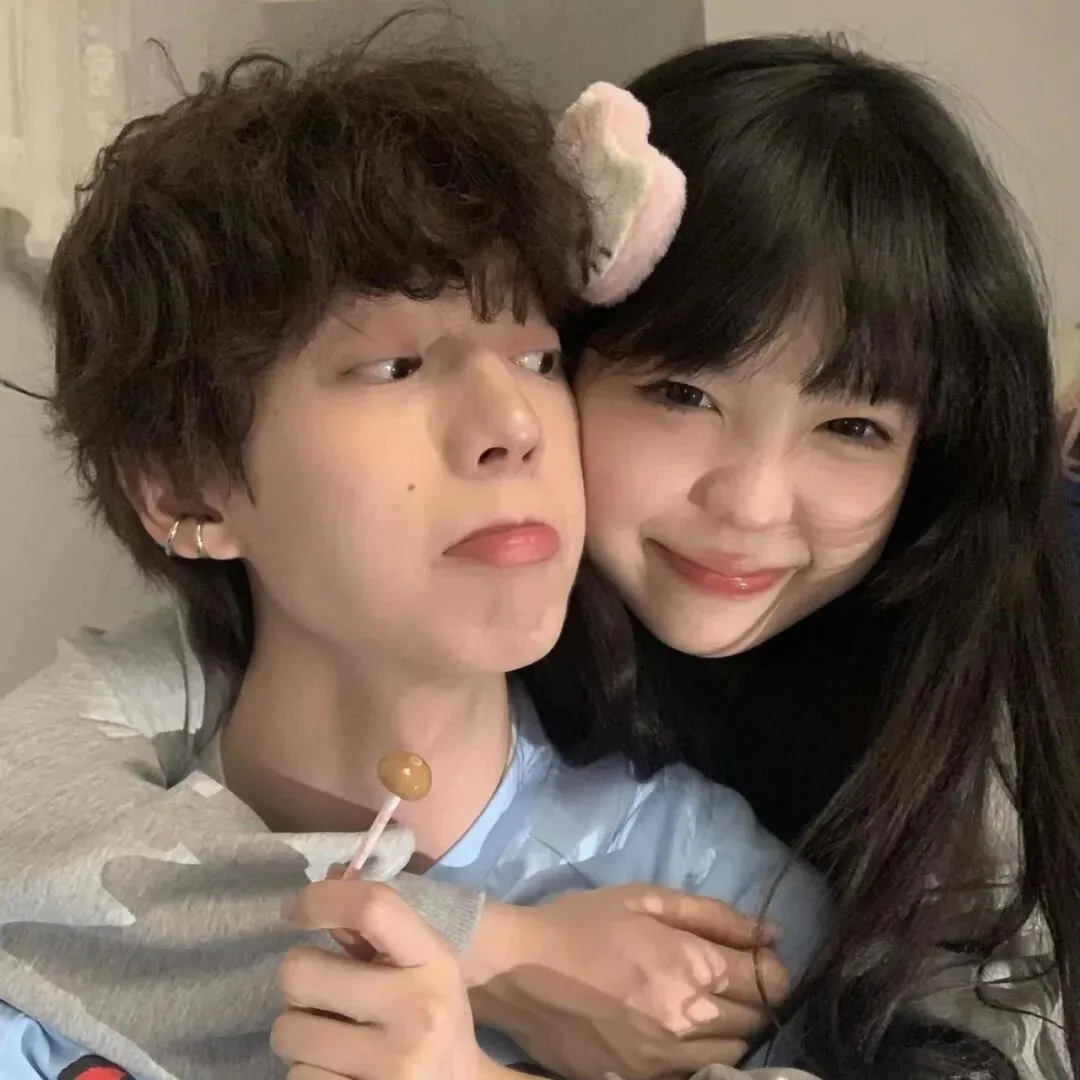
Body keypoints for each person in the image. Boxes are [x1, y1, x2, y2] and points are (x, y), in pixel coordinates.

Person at [0, 37, 828, 1080]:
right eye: (393, 365)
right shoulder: (54, 925)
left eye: (537, 358)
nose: (512, 425)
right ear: (183, 490)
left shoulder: (716, 911)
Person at [259, 34, 1080, 1080]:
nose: (749, 503)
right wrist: (494, 949)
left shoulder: (972, 714)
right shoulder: (437, 588)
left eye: (853, 427)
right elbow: (78, 837)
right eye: (683, 394)